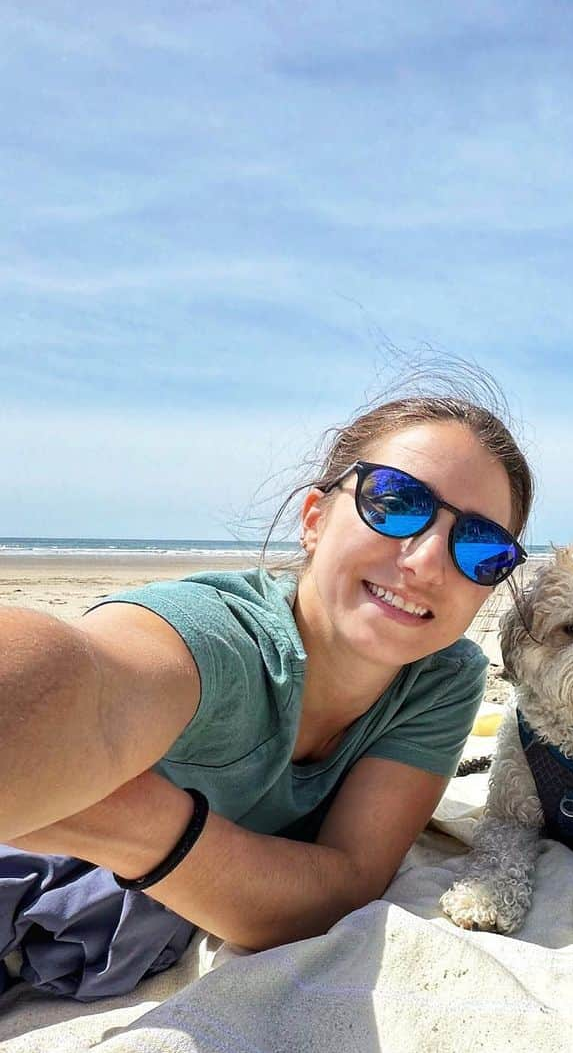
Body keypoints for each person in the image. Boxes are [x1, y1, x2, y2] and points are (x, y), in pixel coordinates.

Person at [0, 392, 533, 1001]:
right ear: (314, 520)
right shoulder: (218, 638)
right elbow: (83, 682)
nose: (429, 562)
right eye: (395, 503)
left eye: (482, 548)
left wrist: (129, 817)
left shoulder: (441, 675)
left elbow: (347, 884)